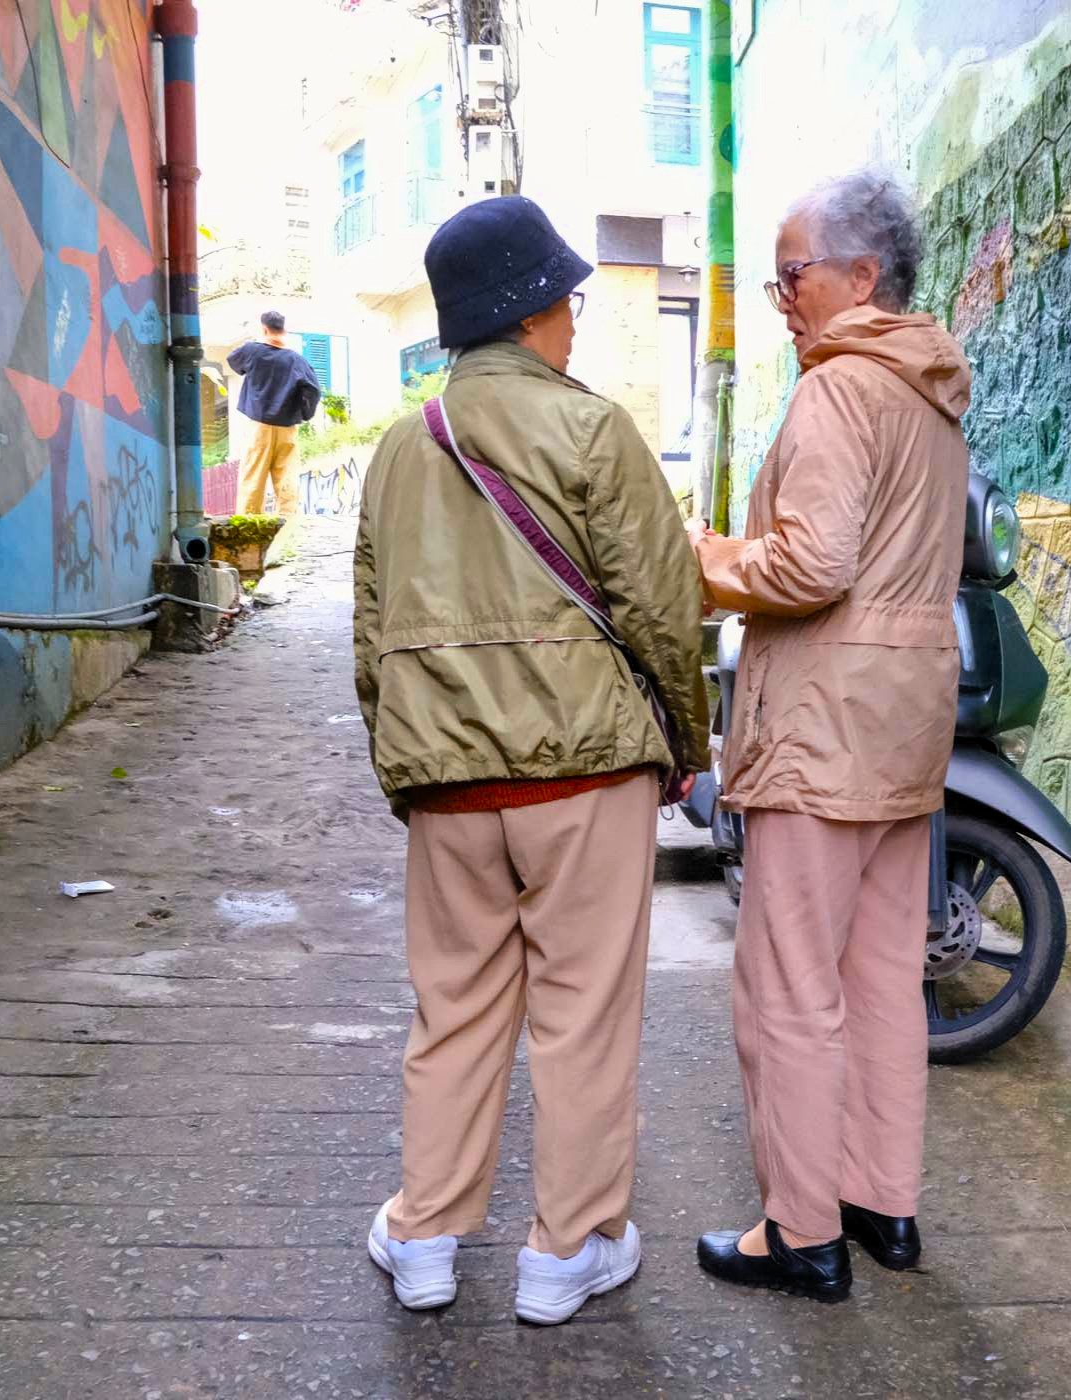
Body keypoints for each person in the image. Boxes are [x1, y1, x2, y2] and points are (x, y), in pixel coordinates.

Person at [352, 196, 709, 1325]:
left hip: (450, 783)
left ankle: (423, 1237)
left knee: (452, 1008)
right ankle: (567, 1249)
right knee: (581, 1013)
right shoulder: (593, 430)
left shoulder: (401, 451)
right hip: (587, 771)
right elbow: (662, 607)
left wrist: (404, 756)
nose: (575, 322)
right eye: (569, 301)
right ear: (538, 308)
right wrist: (688, 743)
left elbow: (370, 634)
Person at [688, 167, 971, 1301]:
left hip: (818, 733)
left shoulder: (837, 391)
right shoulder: (931, 391)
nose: (783, 296)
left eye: (793, 272)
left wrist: (703, 557)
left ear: (861, 275)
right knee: (882, 978)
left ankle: (799, 1230)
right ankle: (880, 1203)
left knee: (789, 987)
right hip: (904, 726)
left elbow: (810, 565)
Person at [228, 310, 321, 515]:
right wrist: (305, 414)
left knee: (253, 478)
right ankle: (287, 531)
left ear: (264, 328)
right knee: (287, 478)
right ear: (284, 330)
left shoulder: (252, 351)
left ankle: (249, 531)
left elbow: (233, 360)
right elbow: (314, 390)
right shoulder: (296, 360)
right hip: (287, 427)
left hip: (259, 425)